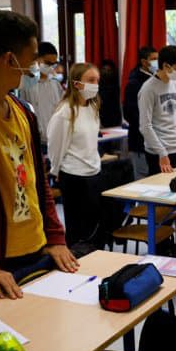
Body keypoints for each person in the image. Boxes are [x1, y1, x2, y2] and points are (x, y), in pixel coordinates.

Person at [0, 10, 78, 307]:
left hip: (39, 252)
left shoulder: (23, 110)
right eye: (33, 57)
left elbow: (39, 185)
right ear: (9, 60)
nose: (36, 66)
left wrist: (55, 236)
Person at [47, 63, 106, 249]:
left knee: (95, 226)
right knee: (78, 229)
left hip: (93, 173)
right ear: (77, 83)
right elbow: (55, 146)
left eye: (97, 80)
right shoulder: (65, 112)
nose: (95, 85)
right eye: (90, 80)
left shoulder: (93, 107)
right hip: (73, 176)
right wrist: (55, 170)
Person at [138, 45, 176, 175]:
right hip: (158, 152)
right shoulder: (148, 89)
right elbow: (145, 126)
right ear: (166, 66)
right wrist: (162, 153)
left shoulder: (175, 85)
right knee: (161, 191)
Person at [18, 41, 64, 147]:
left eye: (54, 64)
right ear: (37, 59)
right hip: (36, 141)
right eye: (48, 63)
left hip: (56, 139)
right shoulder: (26, 84)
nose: (51, 67)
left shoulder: (55, 83)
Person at [123, 46, 158, 179]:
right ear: (144, 62)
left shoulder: (157, 80)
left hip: (156, 141)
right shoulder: (134, 84)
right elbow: (130, 114)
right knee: (143, 182)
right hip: (140, 142)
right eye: (154, 59)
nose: (157, 63)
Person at [99, 58, 123, 127]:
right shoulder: (96, 86)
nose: (106, 72)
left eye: (109, 70)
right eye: (104, 69)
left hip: (114, 121)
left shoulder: (116, 86)